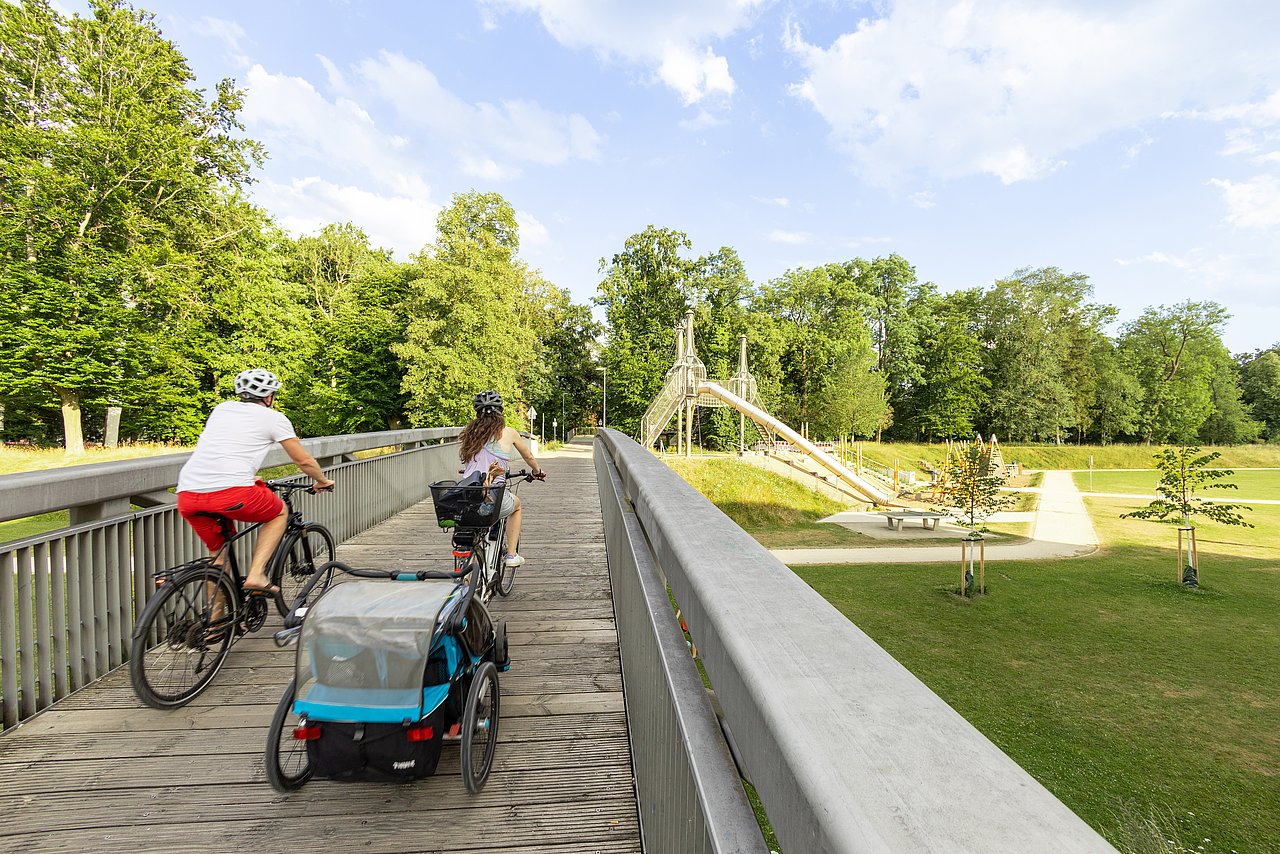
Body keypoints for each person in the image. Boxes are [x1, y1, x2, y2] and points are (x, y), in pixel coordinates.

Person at [176, 369, 334, 594]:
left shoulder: (221, 409)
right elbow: (303, 460)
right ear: (269, 396)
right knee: (279, 513)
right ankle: (257, 574)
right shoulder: (275, 418)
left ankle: (216, 626)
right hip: (231, 492)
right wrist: (321, 480)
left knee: (219, 561)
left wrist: (246, 476)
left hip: (188, 493)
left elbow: (222, 448)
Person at [458, 390, 544, 568]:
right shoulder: (508, 432)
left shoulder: (469, 433)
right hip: (492, 495)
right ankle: (511, 555)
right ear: (500, 412)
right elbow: (528, 456)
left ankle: (468, 576)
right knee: (517, 506)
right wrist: (537, 471)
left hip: (466, 495)